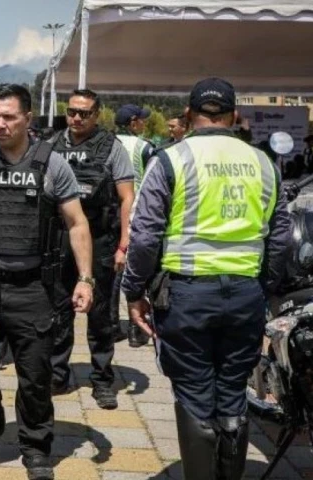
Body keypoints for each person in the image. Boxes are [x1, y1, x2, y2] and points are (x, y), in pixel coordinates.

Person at [123, 77, 292, 480]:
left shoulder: (170, 160)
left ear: (188, 114)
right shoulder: (264, 163)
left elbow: (144, 236)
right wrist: (263, 286)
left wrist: (133, 289)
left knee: (195, 395)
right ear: (235, 116)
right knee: (233, 392)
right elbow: (281, 236)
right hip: (245, 292)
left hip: (188, 294)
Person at [0, 84, 93, 480]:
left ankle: (36, 448)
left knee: (36, 376)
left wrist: (86, 279)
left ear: (28, 118)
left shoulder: (52, 164)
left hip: (33, 289)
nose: (0, 124)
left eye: (8, 116)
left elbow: (77, 224)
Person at [50, 88, 136, 410]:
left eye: (84, 113)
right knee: (58, 312)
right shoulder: (52, 145)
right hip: (60, 240)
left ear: (97, 114)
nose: (76, 118)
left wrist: (124, 245)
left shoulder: (111, 147)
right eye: (71, 111)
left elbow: (127, 197)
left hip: (100, 238)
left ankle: (102, 380)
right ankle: (57, 375)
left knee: (100, 316)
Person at [113, 104, 155, 347]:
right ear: (132, 123)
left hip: (111, 213)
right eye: (141, 120)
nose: (144, 123)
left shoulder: (108, 143)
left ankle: (111, 324)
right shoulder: (144, 147)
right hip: (137, 215)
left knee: (112, 275)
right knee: (136, 272)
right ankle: (135, 330)